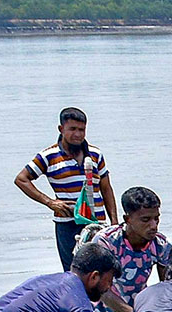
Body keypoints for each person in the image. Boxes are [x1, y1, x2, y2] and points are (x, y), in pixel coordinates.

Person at [14, 107, 118, 271]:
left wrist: (114, 222)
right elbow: (21, 179)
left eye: (82, 130)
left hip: (97, 222)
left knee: (102, 272)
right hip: (68, 224)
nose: (77, 134)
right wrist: (50, 202)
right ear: (61, 129)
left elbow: (106, 188)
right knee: (73, 272)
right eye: (73, 129)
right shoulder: (48, 156)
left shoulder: (95, 154)